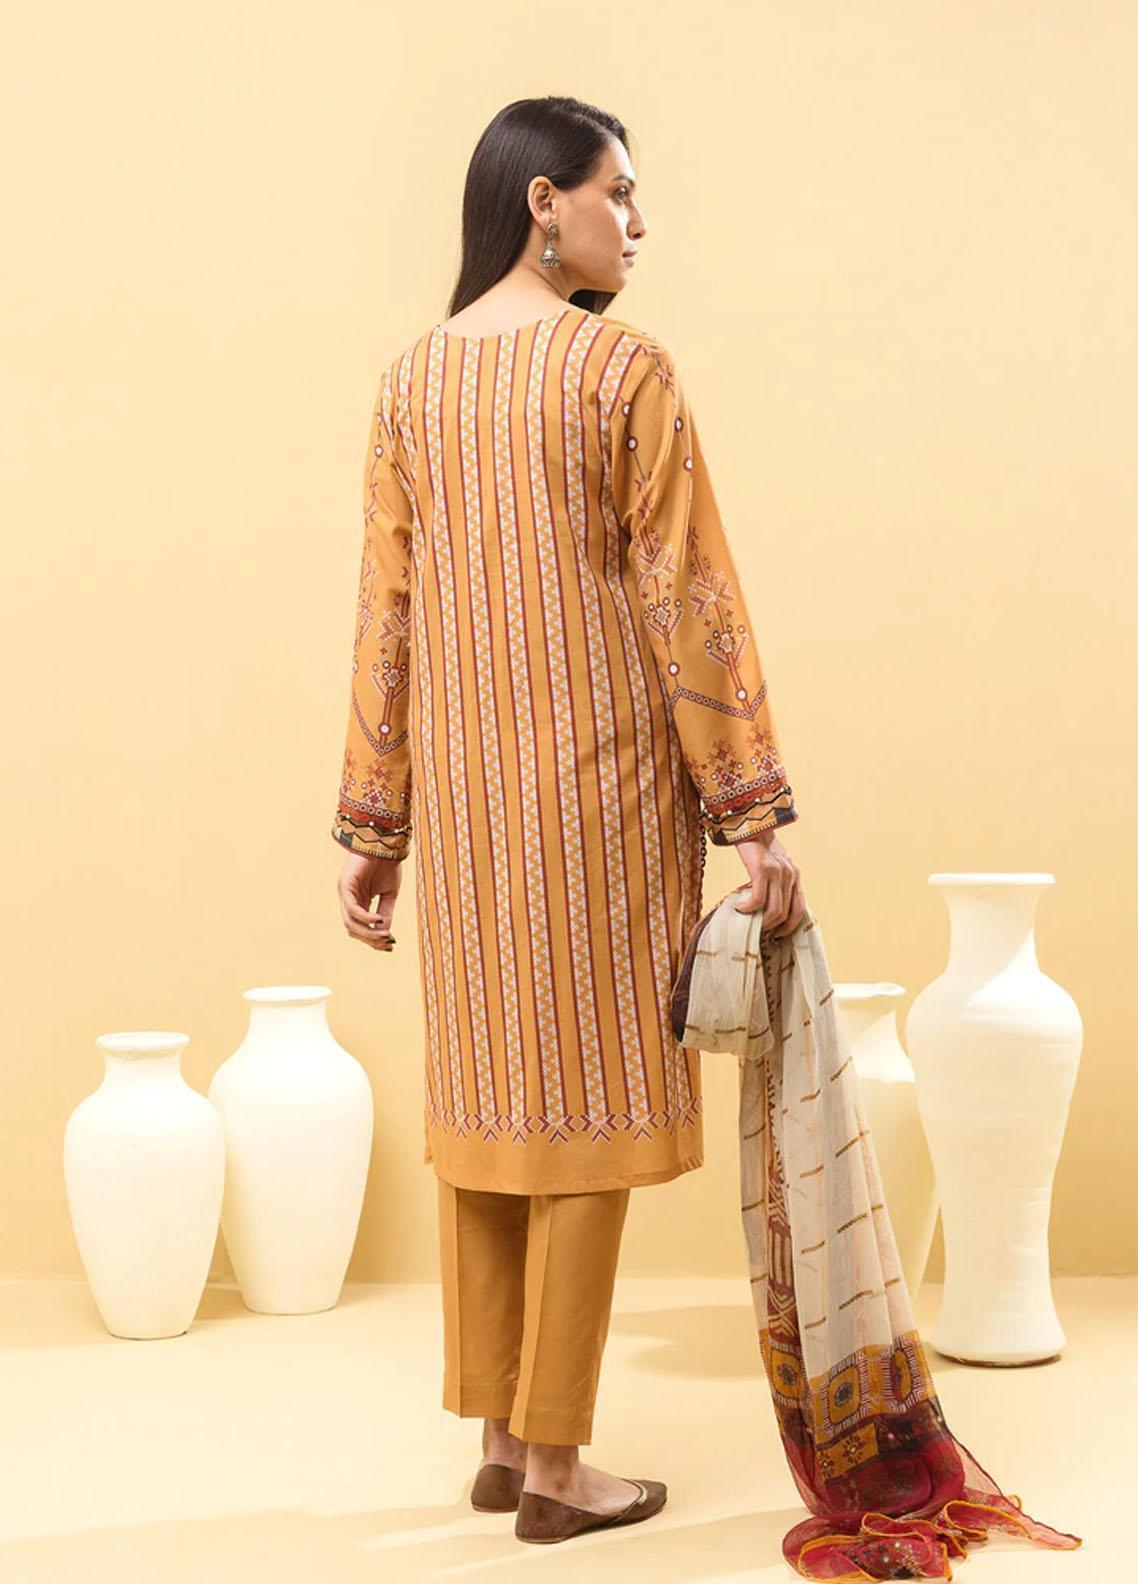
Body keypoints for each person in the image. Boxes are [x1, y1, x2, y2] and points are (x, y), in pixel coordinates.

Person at [331, 95, 807, 1544]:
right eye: (619, 194)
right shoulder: (618, 367)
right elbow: (688, 592)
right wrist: (751, 809)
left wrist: (377, 826)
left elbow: (387, 619)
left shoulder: (411, 382)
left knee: (492, 1103)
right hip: (601, 798)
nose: (638, 224)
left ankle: (498, 1438)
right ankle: (556, 1468)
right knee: (585, 1109)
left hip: (471, 813)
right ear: (544, 202)